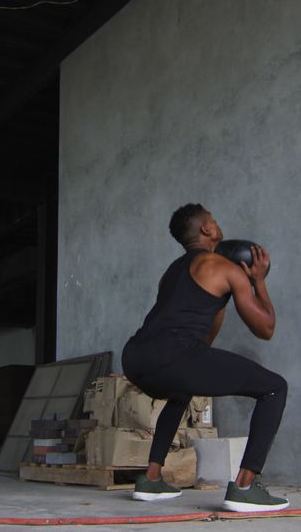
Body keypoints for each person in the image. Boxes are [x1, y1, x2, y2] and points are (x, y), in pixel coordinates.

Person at [122, 203, 289, 512]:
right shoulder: (225, 268)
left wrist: (222, 301)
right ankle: (245, 487)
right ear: (206, 229)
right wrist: (259, 281)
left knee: (181, 390)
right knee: (275, 387)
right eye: (213, 219)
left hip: (134, 357)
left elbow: (205, 338)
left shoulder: (170, 273)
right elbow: (265, 328)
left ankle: (151, 478)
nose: (217, 223)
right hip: (172, 354)